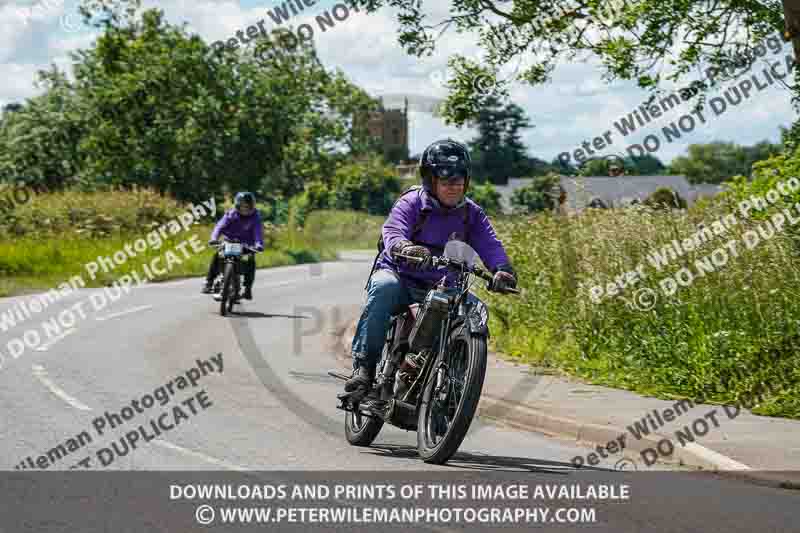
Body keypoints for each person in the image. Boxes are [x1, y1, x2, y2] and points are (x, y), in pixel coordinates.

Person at [343, 139, 517, 400]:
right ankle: (364, 368)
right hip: (400, 277)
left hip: (444, 287)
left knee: (477, 310)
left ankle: (454, 382)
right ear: (430, 180)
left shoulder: (472, 214)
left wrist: (502, 270)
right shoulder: (411, 202)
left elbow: (491, 245)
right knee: (383, 288)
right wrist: (406, 248)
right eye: (447, 181)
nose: (454, 187)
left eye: (459, 181)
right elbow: (392, 231)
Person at [202, 192, 264, 300]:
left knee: (250, 260)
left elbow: (258, 232)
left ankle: (248, 288)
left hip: (245, 244)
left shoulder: (255, 217)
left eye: (247, 206)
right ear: (237, 205)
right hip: (229, 241)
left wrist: (258, 244)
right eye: (242, 206)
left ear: (252, 206)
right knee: (217, 255)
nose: (245, 209)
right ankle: (209, 282)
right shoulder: (231, 213)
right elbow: (219, 226)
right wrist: (214, 238)